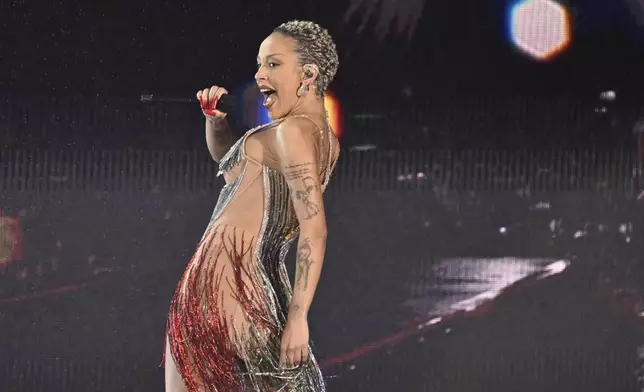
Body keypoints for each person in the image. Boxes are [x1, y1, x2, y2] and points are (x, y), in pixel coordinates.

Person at [163, 20, 340, 392]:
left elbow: (314, 228)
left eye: (273, 64)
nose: (259, 74)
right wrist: (216, 123)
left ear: (308, 74)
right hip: (234, 291)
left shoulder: (293, 132)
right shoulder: (314, 137)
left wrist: (299, 317)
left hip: (240, 292)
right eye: (260, 64)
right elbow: (234, 172)